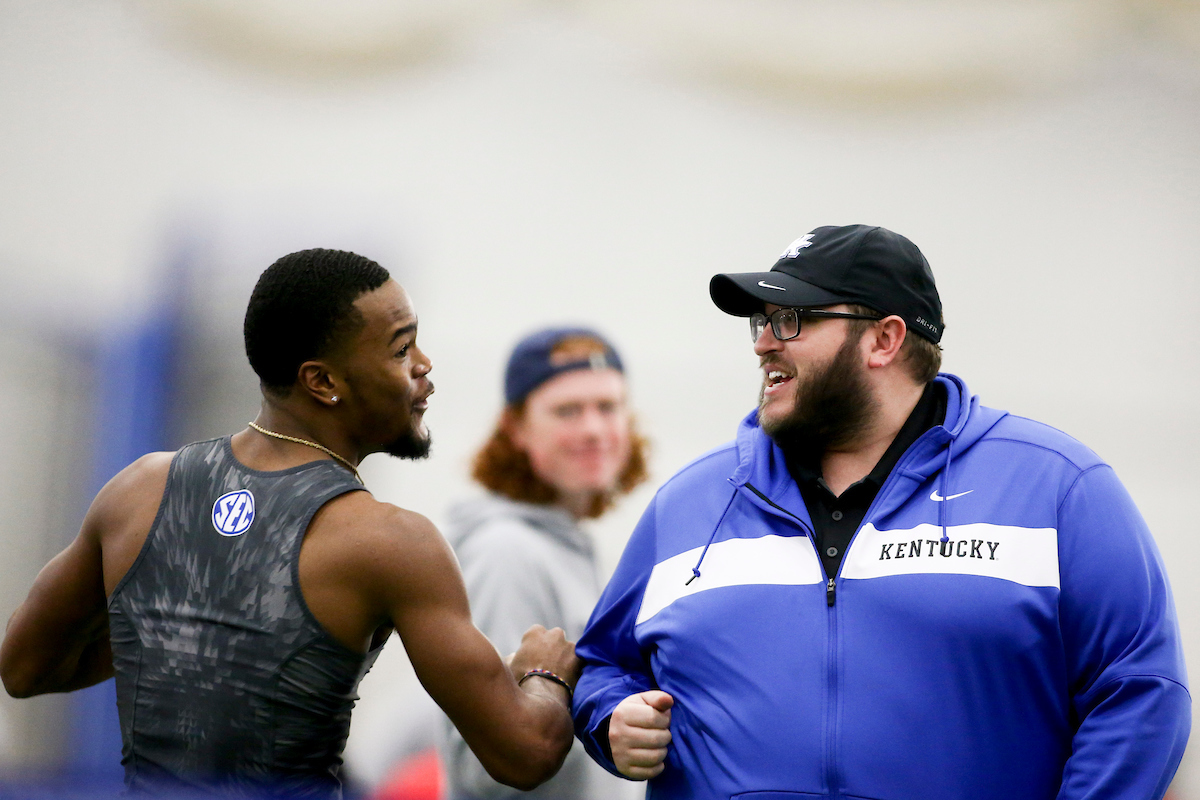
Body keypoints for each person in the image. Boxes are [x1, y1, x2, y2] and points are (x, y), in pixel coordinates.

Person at [571, 225, 1191, 799]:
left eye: (790, 319)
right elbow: (604, 664)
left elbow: (1139, 693)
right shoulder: (690, 501)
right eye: (760, 321)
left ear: (884, 339)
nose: (763, 343)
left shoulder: (1057, 488)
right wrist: (610, 717)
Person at [0, 249, 581, 799]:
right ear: (322, 382)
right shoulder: (391, 542)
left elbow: (24, 668)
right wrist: (544, 672)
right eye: (402, 349)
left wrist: (171, 632)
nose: (424, 365)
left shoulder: (138, 490)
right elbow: (524, 754)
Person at [442, 327, 649, 800]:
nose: (594, 429)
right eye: (567, 410)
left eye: (608, 407)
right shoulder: (506, 552)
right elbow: (490, 764)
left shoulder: (573, 546)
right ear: (515, 428)